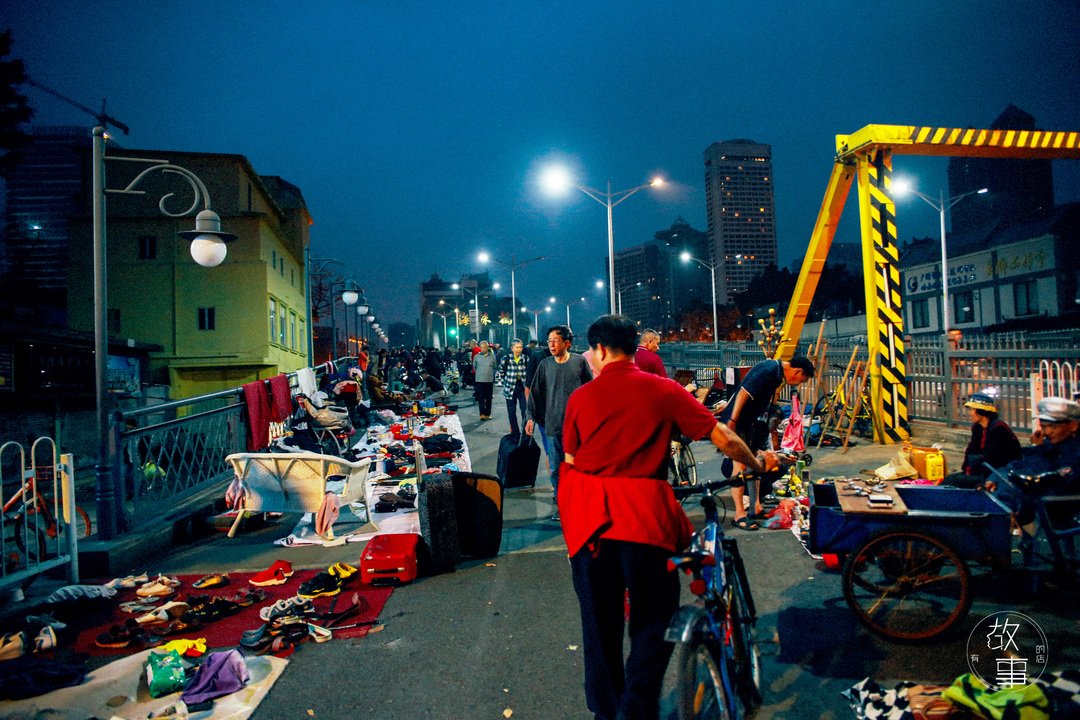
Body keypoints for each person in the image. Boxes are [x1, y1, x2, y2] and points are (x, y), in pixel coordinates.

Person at [559, 314, 779, 720]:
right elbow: (724, 438)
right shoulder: (664, 390)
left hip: (589, 526)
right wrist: (757, 463)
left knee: (598, 627)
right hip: (645, 522)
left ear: (601, 350)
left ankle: (608, 712)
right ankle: (635, 711)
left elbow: (571, 461)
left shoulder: (581, 399)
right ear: (634, 347)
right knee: (653, 623)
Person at [718, 355, 815, 530]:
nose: (799, 384)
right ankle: (740, 514)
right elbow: (742, 392)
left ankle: (755, 507)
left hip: (750, 423)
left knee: (757, 462)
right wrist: (732, 420)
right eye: (802, 380)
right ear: (798, 372)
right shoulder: (769, 369)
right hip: (738, 422)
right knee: (739, 466)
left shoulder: (776, 374)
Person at [526, 326, 592, 520]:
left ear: (567, 343)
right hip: (553, 425)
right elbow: (535, 393)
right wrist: (530, 416)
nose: (551, 345)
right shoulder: (545, 365)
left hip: (577, 426)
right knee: (556, 468)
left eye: (555, 341)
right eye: (549, 341)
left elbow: (590, 390)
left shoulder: (579, 362)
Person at [985, 397, 1080, 531]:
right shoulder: (1051, 445)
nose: (1046, 433)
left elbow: (1052, 485)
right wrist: (995, 478)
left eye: (1052, 427)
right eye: (1043, 427)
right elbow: (1019, 465)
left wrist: (1038, 449)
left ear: (1073, 425)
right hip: (1031, 508)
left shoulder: (1073, 454)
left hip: (1059, 516)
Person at [940, 388, 1022, 488]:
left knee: (952, 481)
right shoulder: (977, 427)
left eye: (971, 410)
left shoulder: (999, 428)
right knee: (948, 481)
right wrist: (967, 470)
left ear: (981, 412)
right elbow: (971, 450)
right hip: (981, 471)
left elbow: (994, 459)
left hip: (997, 475)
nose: (969, 413)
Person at [499, 339, 531, 435]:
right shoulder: (506, 359)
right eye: (517, 347)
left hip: (522, 388)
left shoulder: (526, 359)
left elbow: (530, 372)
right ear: (512, 348)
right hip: (510, 388)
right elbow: (501, 371)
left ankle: (525, 430)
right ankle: (515, 431)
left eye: (521, 347)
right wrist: (503, 382)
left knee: (525, 410)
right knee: (511, 412)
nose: (519, 349)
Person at [473, 341, 498, 420]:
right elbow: (475, 367)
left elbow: (494, 366)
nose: (482, 349)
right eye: (481, 347)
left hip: (489, 380)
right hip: (479, 380)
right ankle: (482, 414)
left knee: (489, 398)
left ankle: (488, 414)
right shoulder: (477, 357)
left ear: (487, 348)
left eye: (484, 347)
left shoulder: (492, 357)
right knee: (481, 398)